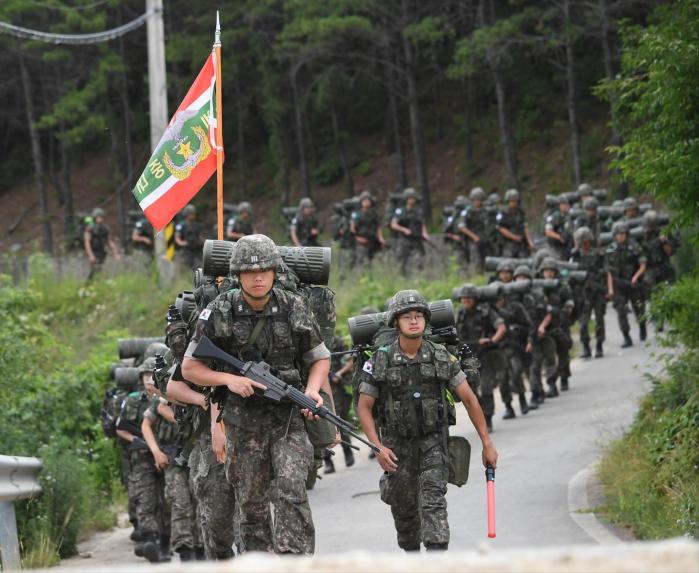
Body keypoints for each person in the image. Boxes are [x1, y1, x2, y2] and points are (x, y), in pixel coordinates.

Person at [182, 234, 331, 555]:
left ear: (275, 272)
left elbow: (319, 357)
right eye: (250, 272)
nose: (259, 277)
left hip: (287, 417)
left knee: (292, 492)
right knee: (251, 505)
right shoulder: (219, 310)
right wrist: (228, 380)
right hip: (242, 422)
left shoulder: (294, 305)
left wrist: (313, 389)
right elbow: (190, 368)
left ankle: (295, 561)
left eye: (265, 270)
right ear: (237, 275)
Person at [356, 290, 498, 552]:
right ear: (396, 322)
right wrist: (377, 446)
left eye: (419, 316)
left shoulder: (440, 356)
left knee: (433, 503)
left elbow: (469, 399)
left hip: (433, 443)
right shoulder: (381, 359)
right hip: (396, 447)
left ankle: (436, 560)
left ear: (426, 321)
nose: (413, 321)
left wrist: (487, 443)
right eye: (407, 316)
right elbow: (364, 407)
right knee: (405, 512)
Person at [141, 392, 203, 562]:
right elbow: (146, 425)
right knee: (179, 502)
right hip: (172, 457)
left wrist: (172, 415)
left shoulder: (197, 392)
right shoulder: (161, 396)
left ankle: (201, 547)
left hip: (197, 454)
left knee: (200, 501)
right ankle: (185, 550)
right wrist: (156, 452)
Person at [455, 283, 507, 431]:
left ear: (475, 299)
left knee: (486, 387)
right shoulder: (460, 315)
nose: (466, 301)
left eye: (469, 298)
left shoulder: (485, 312)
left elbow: (501, 327)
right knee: (470, 391)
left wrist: (492, 341)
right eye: (463, 298)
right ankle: (482, 414)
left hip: (485, 355)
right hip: (467, 357)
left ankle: (488, 418)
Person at [605, 221, 647, 348]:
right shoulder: (611, 249)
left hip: (633, 283)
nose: (620, 236)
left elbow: (643, 265)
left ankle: (642, 326)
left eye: (622, 234)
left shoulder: (634, 246)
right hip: (619, 286)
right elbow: (609, 271)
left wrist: (636, 277)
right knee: (621, 311)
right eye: (618, 234)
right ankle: (626, 336)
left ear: (627, 234)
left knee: (639, 310)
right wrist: (611, 289)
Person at [538, 258, 574, 396]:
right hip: (547, 327)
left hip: (561, 324)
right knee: (549, 356)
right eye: (546, 271)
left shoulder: (562, 286)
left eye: (551, 271)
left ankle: (564, 377)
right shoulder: (538, 287)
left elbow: (569, 302)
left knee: (564, 353)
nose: (549, 273)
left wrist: (565, 312)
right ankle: (552, 384)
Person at [570, 226, 607, 358]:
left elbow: (607, 271)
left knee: (599, 321)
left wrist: (608, 289)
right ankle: (586, 347)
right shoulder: (574, 256)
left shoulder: (599, 254)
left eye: (582, 242)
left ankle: (599, 346)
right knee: (583, 323)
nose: (581, 245)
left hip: (597, 293)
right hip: (583, 294)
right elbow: (570, 275)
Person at [323, 335, 356, 474]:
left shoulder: (337, 341)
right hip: (319, 388)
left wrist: (339, 374)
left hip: (338, 389)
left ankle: (347, 451)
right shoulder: (310, 339)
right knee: (323, 425)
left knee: (339, 421)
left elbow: (351, 361)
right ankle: (328, 461)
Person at [390, 188, 430, 276]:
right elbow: (393, 224)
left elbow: (422, 224)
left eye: (413, 198)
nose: (412, 200)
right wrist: (404, 229)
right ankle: (402, 278)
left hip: (416, 239)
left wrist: (424, 234)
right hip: (404, 239)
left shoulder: (418, 211)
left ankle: (420, 278)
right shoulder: (400, 211)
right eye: (410, 198)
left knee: (419, 259)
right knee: (402, 261)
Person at [350, 190, 385, 268]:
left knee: (376, 261)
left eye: (368, 200)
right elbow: (352, 229)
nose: (366, 202)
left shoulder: (374, 214)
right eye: (364, 200)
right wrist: (358, 238)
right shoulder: (357, 215)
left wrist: (381, 238)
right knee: (362, 261)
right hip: (361, 241)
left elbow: (378, 227)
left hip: (373, 241)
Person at [84, 207, 121, 280]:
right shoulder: (90, 228)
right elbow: (87, 242)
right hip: (94, 251)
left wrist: (116, 253)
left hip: (102, 252)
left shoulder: (105, 228)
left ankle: (95, 286)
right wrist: (91, 255)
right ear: (95, 217)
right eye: (98, 217)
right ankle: (87, 287)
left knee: (99, 270)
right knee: (94, 270)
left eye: (101, 217)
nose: (100, 218)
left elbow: (109, 241)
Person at [457, 187, 488, 272]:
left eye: (481, 199)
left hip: (484, 239)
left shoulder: (485, 210)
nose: (479, 202)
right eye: (477, 199)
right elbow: (461, 226)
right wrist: (474, 237)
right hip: (472, 240)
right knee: (476, 260)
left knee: (486, 260)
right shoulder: (467, 211)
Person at [496, 189, 534, 258]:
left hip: (521, 244)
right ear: (508, 201)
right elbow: (500, 228)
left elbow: (525, 227)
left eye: (516, 201)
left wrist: (530, 242)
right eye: (512, 201)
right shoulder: (503, 212)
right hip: (508, 243)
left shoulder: (520, 212)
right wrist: (514, 237)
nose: (515, 203)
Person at [175, 204, 205, 270]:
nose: (193, 215)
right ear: (186, 214)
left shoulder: (196, 225)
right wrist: (183, 243)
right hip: (186, 250)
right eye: (191, 214)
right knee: (185, 268)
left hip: (196, 250)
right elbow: (177, 238)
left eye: (193, 214)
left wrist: (203, 243)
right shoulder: (181, 225)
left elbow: (200, 236)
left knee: (198, 267)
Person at [544, 195, 573, 260]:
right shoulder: (555, 216)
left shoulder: (568, 216)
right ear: (560, 205)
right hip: (555, 247)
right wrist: (559, 237)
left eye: (567, 204)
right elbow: (548, 232)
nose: (566, 206)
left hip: (566, 246)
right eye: (564, 204)